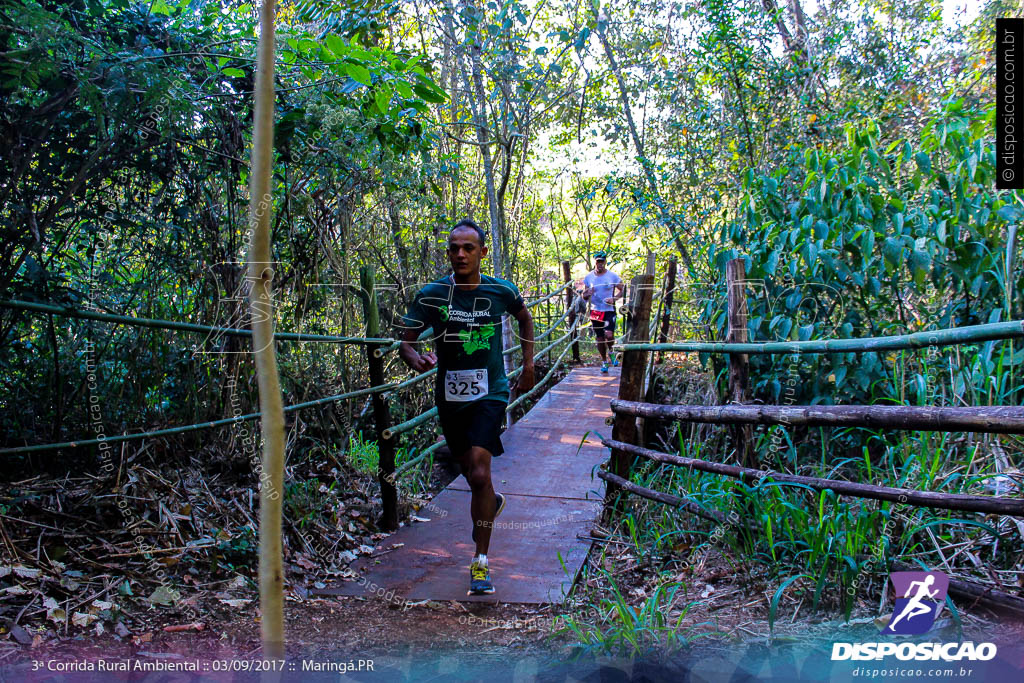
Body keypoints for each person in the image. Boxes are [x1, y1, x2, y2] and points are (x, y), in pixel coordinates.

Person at [398, 218, 535, 595]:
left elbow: (525, 317)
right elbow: (405, 343)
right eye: (454, 248)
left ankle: (480, 563)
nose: (460, 254)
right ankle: (491, 502)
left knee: (477, 473)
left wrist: (528, 365)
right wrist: (415, 358)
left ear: (482, 252)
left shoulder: (501, 291)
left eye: (468, 248)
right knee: (471, 474)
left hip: (490, 392)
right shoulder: (431, 295)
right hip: (451, 397)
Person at [581, 250, 624, 373]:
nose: (600, 264)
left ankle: (611, 352)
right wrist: (586, 294)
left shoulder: (612, 276)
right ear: (594, 262)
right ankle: (604, 361)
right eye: (598, 261)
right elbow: (584, 295)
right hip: (596, 311)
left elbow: (623, 289)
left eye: (602, 261)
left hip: (609, 310)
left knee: (609, 335)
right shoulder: (589, 277)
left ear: (605, 262)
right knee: (600, 338)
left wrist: (614, 298)